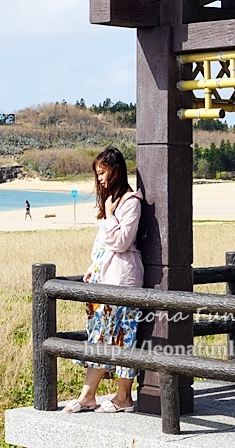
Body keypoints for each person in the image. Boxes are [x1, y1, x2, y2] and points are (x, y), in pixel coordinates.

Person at [63, 146, 144, 414]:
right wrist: (93, 267)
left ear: (115, 170)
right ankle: (88, 395)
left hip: (122, 278)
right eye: (97, 174)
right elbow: (105, 245)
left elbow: (122, 242)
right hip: (104, 276)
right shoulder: (112, 201)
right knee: (98, 336)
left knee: (124, 337)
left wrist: (109, 215)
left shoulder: (131, 201)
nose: (99, 179)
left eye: (102, 172)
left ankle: (123, 397)